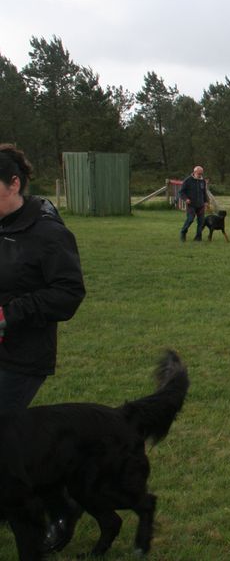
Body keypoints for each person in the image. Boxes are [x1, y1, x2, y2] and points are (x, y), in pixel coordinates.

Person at [0, 143, 87, 551]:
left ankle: (51, 511)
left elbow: (68, 294)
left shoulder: (48, 233)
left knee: (10, 449)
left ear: (14, 183)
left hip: (22, 358)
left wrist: (9, 314)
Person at [179, 165, 207, 242]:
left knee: (201, 222)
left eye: (201, 173)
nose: (200, 175)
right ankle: (183, 233)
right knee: (190, 219)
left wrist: (206, 202)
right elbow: (181, 192)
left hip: (201, 205)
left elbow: (204, 192)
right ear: (194, 172)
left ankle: (198, 237)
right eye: (199, 173)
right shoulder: (187, 180)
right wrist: (186, 199)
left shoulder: (203, 181)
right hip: (191, 205)